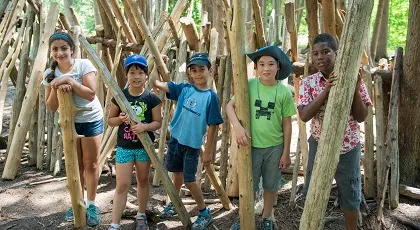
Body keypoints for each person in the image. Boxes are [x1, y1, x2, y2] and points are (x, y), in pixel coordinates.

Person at [298, 33, 372, 230]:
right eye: (315, 54)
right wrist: (326, 90)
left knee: (350, 192)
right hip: (319, 143)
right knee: (314, 191)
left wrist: (354, 88)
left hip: (348, 146)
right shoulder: (309, 83)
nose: (320, 57)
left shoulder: (353, 80)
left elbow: (361, 116)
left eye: (325, 52)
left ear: (337, 53)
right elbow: (304, 116)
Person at [226, 46, 296, 230]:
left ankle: (267, 217)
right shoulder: (248, 85)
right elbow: (229, 107)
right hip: (251, 146)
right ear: (256, 67)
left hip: (275, 146)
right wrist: (238, 128)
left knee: (271, 184)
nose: (266, 68)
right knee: (249, 184)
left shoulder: (284, 92)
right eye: (262, 64)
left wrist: (286, 152)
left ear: (278, 67)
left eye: (271, 64)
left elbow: (287, 124)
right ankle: (245, 217)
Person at [153, 53, 223, 230]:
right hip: (176, 140)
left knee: (190, 180)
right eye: (194, 71)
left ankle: (204, 213)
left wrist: (208, 151)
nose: (198, 74)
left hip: (192, 145)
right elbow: (155, 83)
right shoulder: (184, 89)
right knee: (176, 174)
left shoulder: (211, 97)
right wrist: (157, 63)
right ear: (189, 73)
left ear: (211, 71)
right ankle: (174, 205)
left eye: (202, 70)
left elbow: (214, 126)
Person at [43, 31, 103, 226]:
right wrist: (55, 85)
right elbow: (51, 106)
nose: (60, 52)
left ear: (72, 50)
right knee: (76, 165)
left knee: (91, 164)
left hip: (91, 119)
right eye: (55, 49)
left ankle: (92, 205)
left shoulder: (84, 66)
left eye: (64, 48)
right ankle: (78, 203)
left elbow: (91, 94)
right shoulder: (49, 74)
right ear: (51, 52)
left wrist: (69, 80)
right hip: (69, 123)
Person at [107, 54, 162, 230]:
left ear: (146, 75)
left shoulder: (151, 98)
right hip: (124, 147)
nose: (136, 76)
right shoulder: (120, 97)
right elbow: (110, 121)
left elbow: (158, 122)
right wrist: (120, 119)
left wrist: (145, 127)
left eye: (140, 72)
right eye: (132, 72)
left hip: (143, 148)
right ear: (127, 75)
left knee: (143, 180)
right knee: (122, 184)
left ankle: (141, 215)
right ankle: (115, 224)